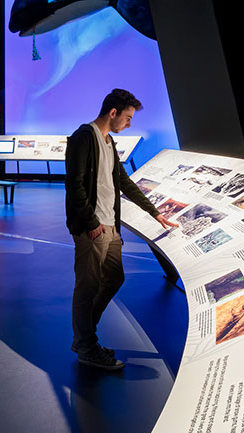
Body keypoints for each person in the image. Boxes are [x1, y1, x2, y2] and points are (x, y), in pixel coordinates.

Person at [66, 88, 178, 370]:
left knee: (114, 279)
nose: (129, 124)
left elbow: (124, 182)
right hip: (93, 229)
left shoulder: (108, 142)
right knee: (87, 288)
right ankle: (87, 346)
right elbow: (74, 185)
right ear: (113, 113)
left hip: (110, 228)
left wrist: (154, 212)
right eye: (127, 118)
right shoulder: (84, 137)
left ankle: (84, 338)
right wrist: (91, 225)